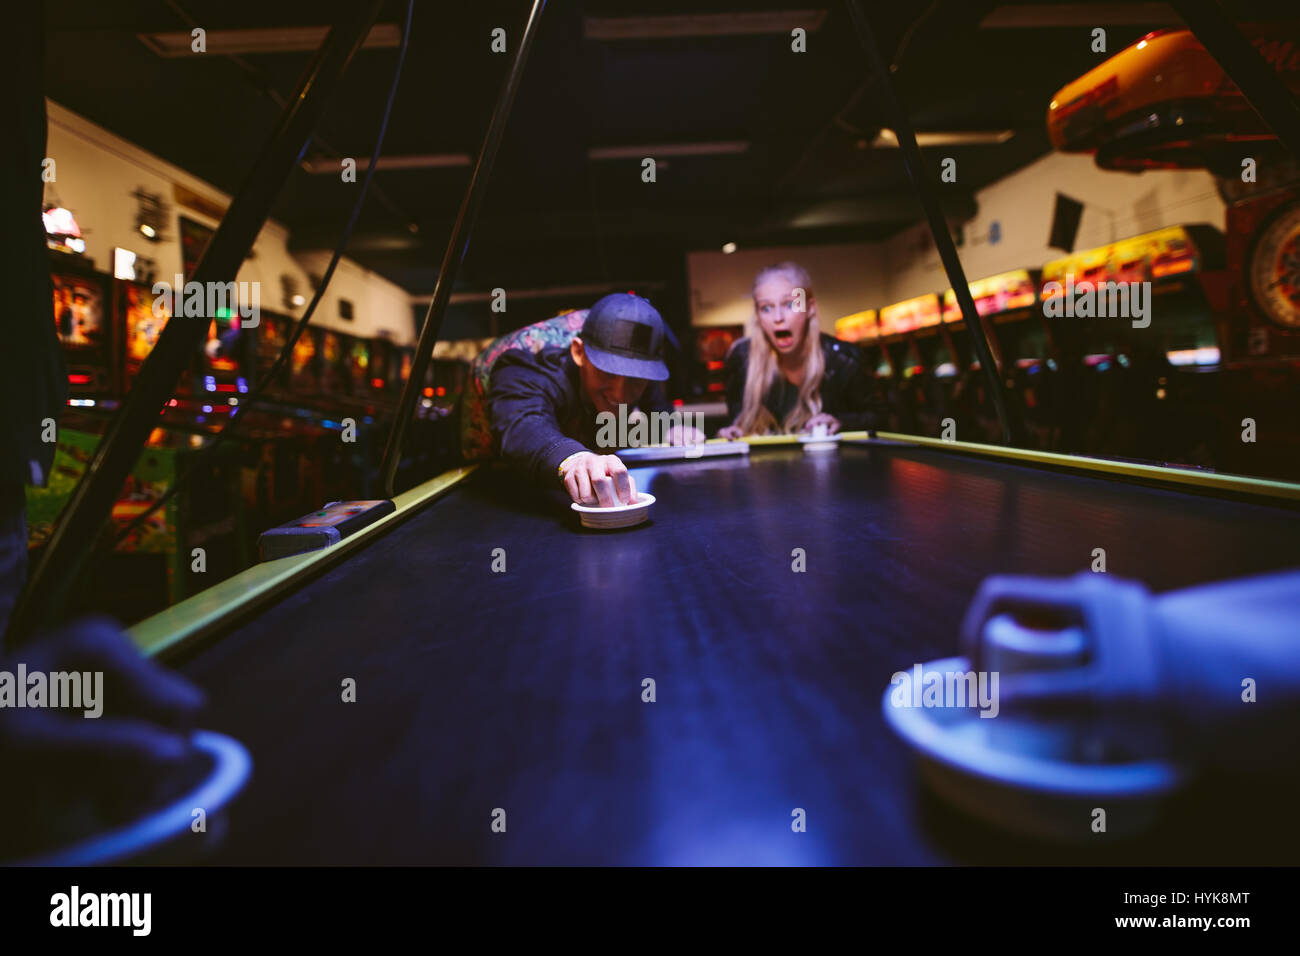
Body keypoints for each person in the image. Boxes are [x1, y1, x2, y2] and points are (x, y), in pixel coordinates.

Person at [488, 292, 703, 507]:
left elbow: (654, 402)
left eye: (636, 379)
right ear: (579, 352)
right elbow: (524, 423)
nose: (620, 395)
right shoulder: (527, 367)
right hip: (487, 472)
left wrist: (670, 426)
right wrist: (574, 459)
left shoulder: (638, 374)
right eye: (607, 373)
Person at [718, 262, 878, 439]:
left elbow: (880, 418)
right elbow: (736, 421)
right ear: (757, 315)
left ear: (809, 308)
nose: (778, 318)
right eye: (766, 308)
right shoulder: (742, 359)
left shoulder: (844, 359)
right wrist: (734, 432)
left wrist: (841, 422)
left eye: (790, 305)